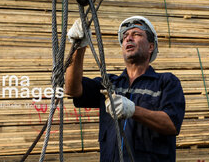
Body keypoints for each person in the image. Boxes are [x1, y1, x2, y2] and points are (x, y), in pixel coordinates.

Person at [65, 16, 185, 162]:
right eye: (125, 36)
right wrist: (79, 46)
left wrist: (133, 110)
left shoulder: (166, 82)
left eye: (136, 34)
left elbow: (171, 124)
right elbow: (72, 89)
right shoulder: (109, 83)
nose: (128, 39)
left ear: (151, 47)